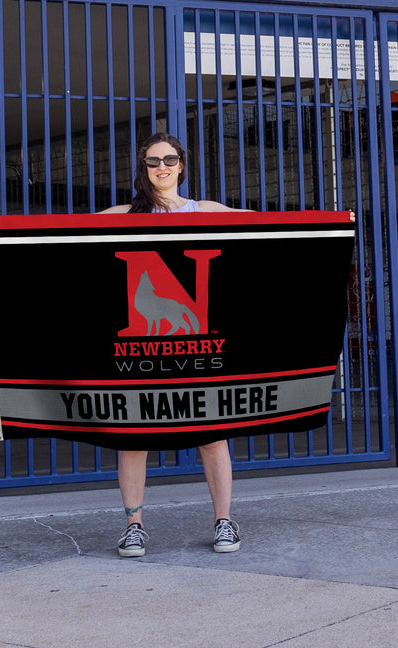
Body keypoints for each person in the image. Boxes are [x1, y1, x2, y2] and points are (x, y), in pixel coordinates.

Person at [101, 132, 247, 558]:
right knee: (133, 434)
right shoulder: (126, 214)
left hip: (196, 339)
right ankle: (134, 526)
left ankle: (224, 521)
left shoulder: (206, 211)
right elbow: (60, 233)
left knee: (212, 432)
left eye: (169, 159)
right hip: (146, 348)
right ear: (143, 168)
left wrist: (331, 222)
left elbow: (264, 224)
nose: (161, 167)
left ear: (182, 164)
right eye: (152, 161)